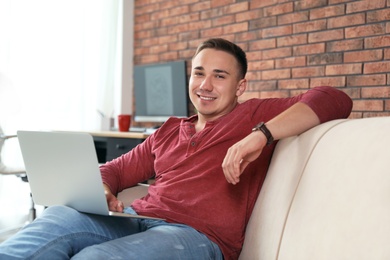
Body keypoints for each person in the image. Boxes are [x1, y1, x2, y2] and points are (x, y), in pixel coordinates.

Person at [0, 38, 353, 260]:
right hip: (138, 219)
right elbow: (115, 170)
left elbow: (334, 99)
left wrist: (260, 134)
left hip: (195, 237)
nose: (206, 85)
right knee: (57, 218)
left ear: (240, 85)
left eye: (219, 75)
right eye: (199, 73)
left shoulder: (253, 114)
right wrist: (104, 190)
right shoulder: (168, 131)